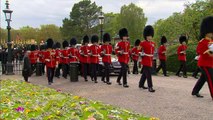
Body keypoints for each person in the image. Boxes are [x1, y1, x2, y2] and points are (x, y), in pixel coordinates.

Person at [192, 16, 213, 99]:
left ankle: (195, 91)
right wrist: (209, 52)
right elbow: (199, 51)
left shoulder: (211, 41)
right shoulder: (202, 41)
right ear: (206, 31)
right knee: (211, 79)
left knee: (203, 78)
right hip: (204, 63)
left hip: (209, 63)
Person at [138, 25, 156, 92]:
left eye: (150, 36)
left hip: (150, 59)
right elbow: (138, 50)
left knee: (145, 73)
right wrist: (141, 54)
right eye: (148, 36)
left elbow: (153, 52)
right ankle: (150, 87)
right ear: (146, 36)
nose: (149, 37)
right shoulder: (142, 43)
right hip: (145, 59)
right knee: (148, 74)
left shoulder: (153, 43)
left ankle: (141, 84)